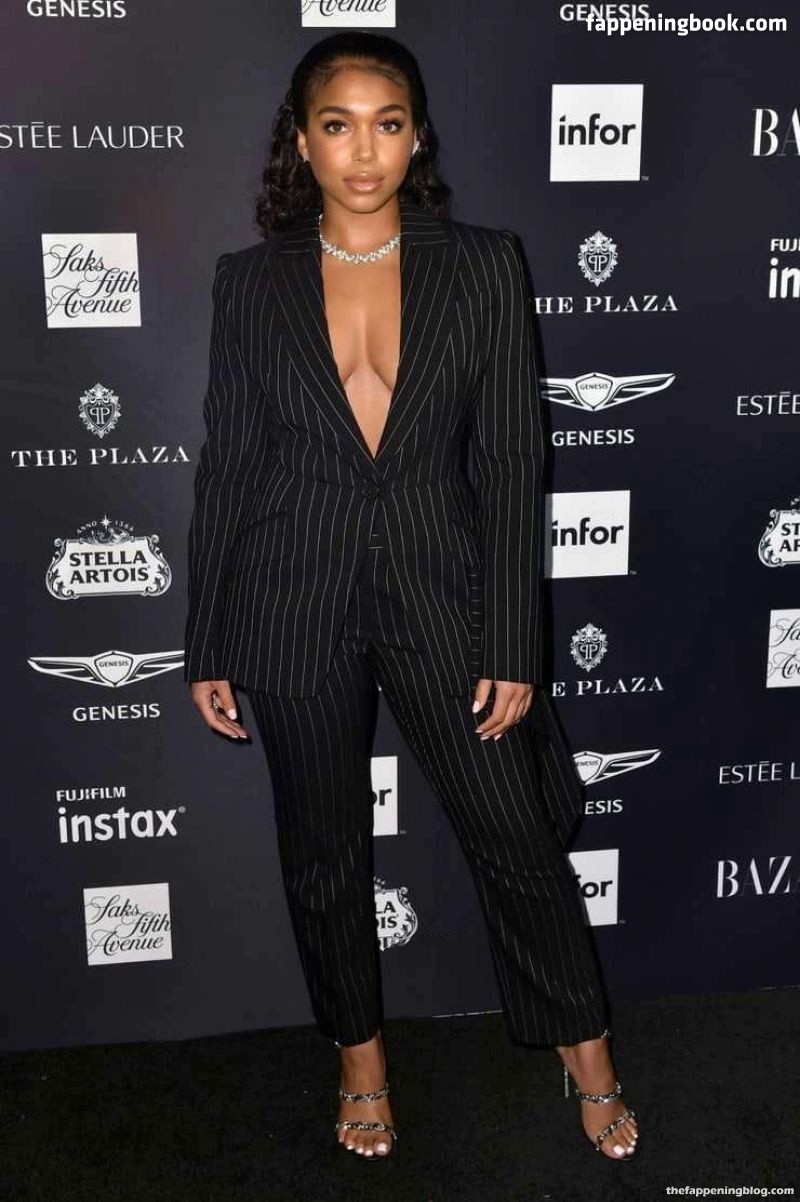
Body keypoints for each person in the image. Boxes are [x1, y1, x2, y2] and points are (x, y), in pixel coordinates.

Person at [183, 30, 640, 1165]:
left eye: (386, 124)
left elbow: (515, 462)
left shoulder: (482, 264)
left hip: (444, 595)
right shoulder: (250, 281)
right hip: (291, 594)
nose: (363, 151)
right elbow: (229, 462)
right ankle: (360, 1064)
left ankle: (586, 1052)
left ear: (417, 136)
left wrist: (513, 638)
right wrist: (207, 635)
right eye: (336, 125)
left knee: (515, 835)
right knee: (324, 854)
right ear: (301, 141)